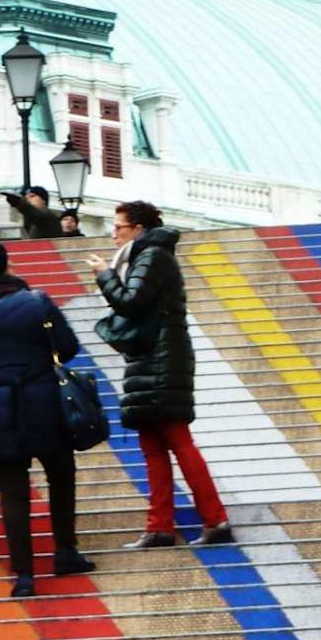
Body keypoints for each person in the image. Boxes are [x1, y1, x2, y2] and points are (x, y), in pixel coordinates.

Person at [0, 241, 96, 598]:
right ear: (6, 270)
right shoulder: (37, 301)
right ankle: (66, 552)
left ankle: (24, 575)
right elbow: (68, 347)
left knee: (12, 493)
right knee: (61, 476)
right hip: (44, 399)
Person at [88, 200, 233, 550]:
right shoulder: (146, 256)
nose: (113, 234)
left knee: (177, 440)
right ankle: (159, 527)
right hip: (152, 357)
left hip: (162, 359)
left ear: (138, 229)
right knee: (153, 445)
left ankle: (215, 520)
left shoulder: (152, 255)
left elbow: (131, 302)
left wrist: (105, 274)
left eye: (118, 227)